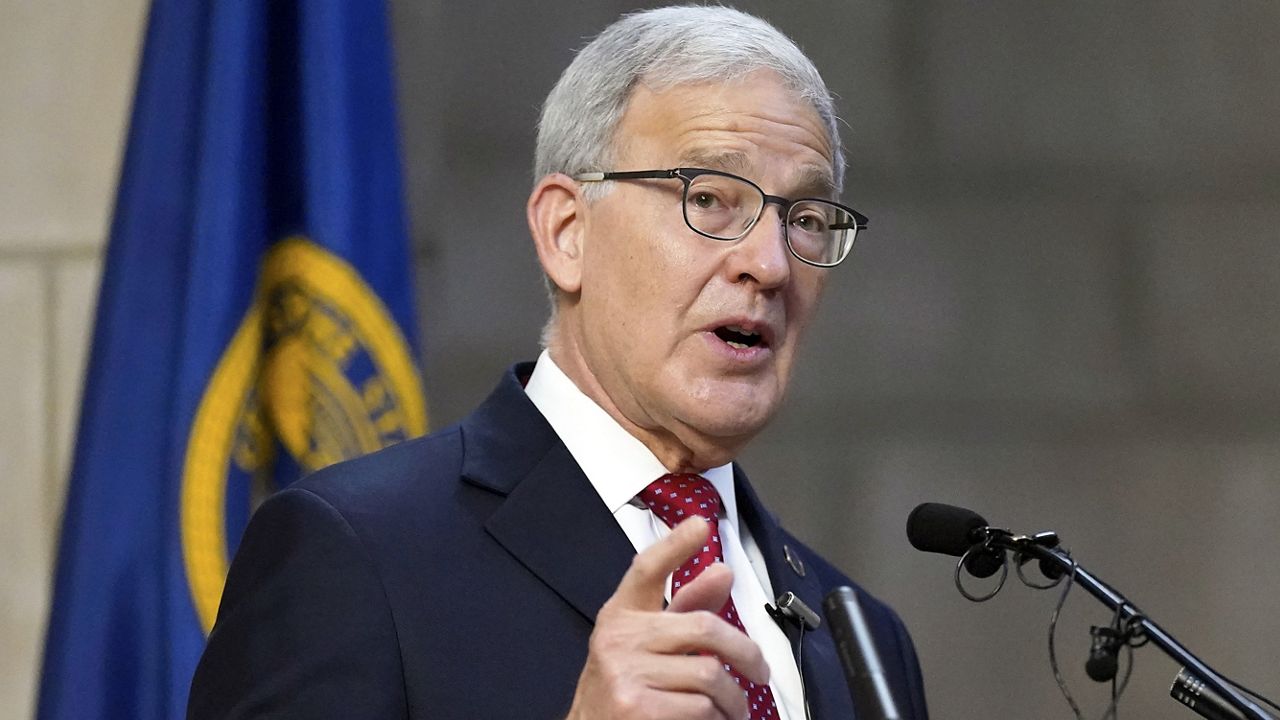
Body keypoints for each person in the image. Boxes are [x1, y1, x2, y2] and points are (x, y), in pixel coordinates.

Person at [189, 6, 928, 719]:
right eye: (710, 198)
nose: (769, 265)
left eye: (804, 219)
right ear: (567, 231)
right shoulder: (354, 553)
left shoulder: (862, 637)